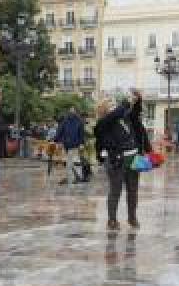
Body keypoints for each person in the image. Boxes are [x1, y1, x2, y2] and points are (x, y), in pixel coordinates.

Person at [95, 96, 141, 230]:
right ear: (103, 108)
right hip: (116, 160)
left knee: (133, 191)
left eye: (114, 103)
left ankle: (132, 217)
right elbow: (117, 112)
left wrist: (137, 101)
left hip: (133, 158)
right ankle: (112, 219)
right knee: (115, 191)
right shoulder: (103, 122)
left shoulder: (123, 118)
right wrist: (126, 103)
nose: (114, 105)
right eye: (110, 103)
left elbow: (134, 113)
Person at [54, 107, 89, 185]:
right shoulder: (66, 121)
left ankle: (74, 177)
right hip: (67, 144)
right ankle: (73, 177)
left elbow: (81, 134)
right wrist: (57, 140)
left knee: (73, 162)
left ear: (76, 112)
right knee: (69, 162)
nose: (71, 113)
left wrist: (81, 143)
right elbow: (60, 131)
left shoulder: (78, 121)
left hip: (74, 145)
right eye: (70, 111)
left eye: (73, 111)